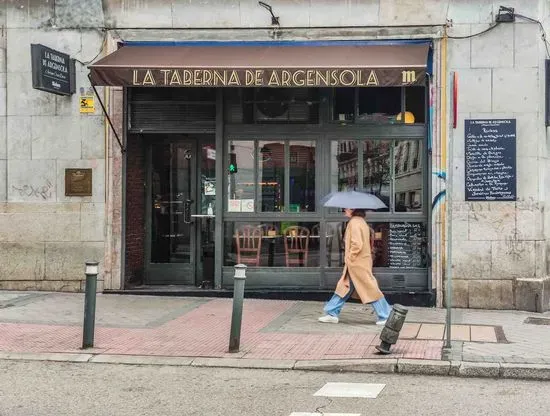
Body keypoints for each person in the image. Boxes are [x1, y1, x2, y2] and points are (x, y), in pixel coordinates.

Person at [318, 208, 392, 325]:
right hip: (360, 262)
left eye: (347, 209)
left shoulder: (354, 223)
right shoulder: (361, 221)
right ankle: (332, 312)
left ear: (353, 210)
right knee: (345, 286)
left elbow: (357, 244)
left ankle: (386, 314)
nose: (344, 211)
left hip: (357, 263)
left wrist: (350, 257)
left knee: (369, 288)